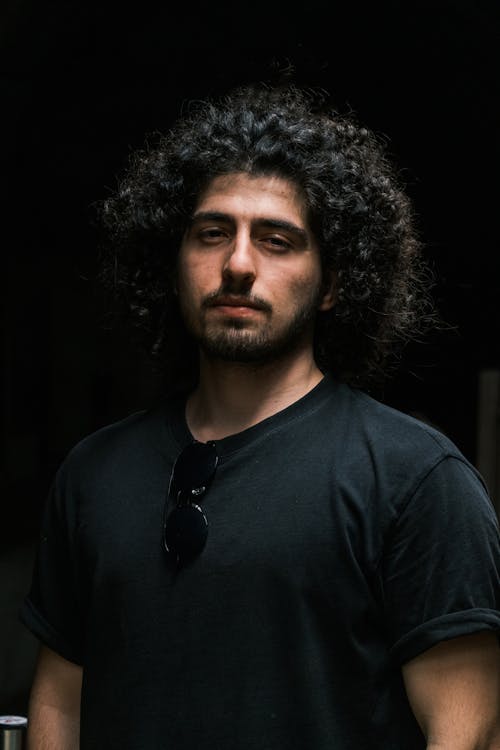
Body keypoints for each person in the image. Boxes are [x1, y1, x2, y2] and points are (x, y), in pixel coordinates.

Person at [21, 81, 500, 750]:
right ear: (176, 262)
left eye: (277, 241)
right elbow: (61, 708)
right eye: (212, 234)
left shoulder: (415, 478)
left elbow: (467, 733)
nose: (238, 264)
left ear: (333, 283)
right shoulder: (93, 473)